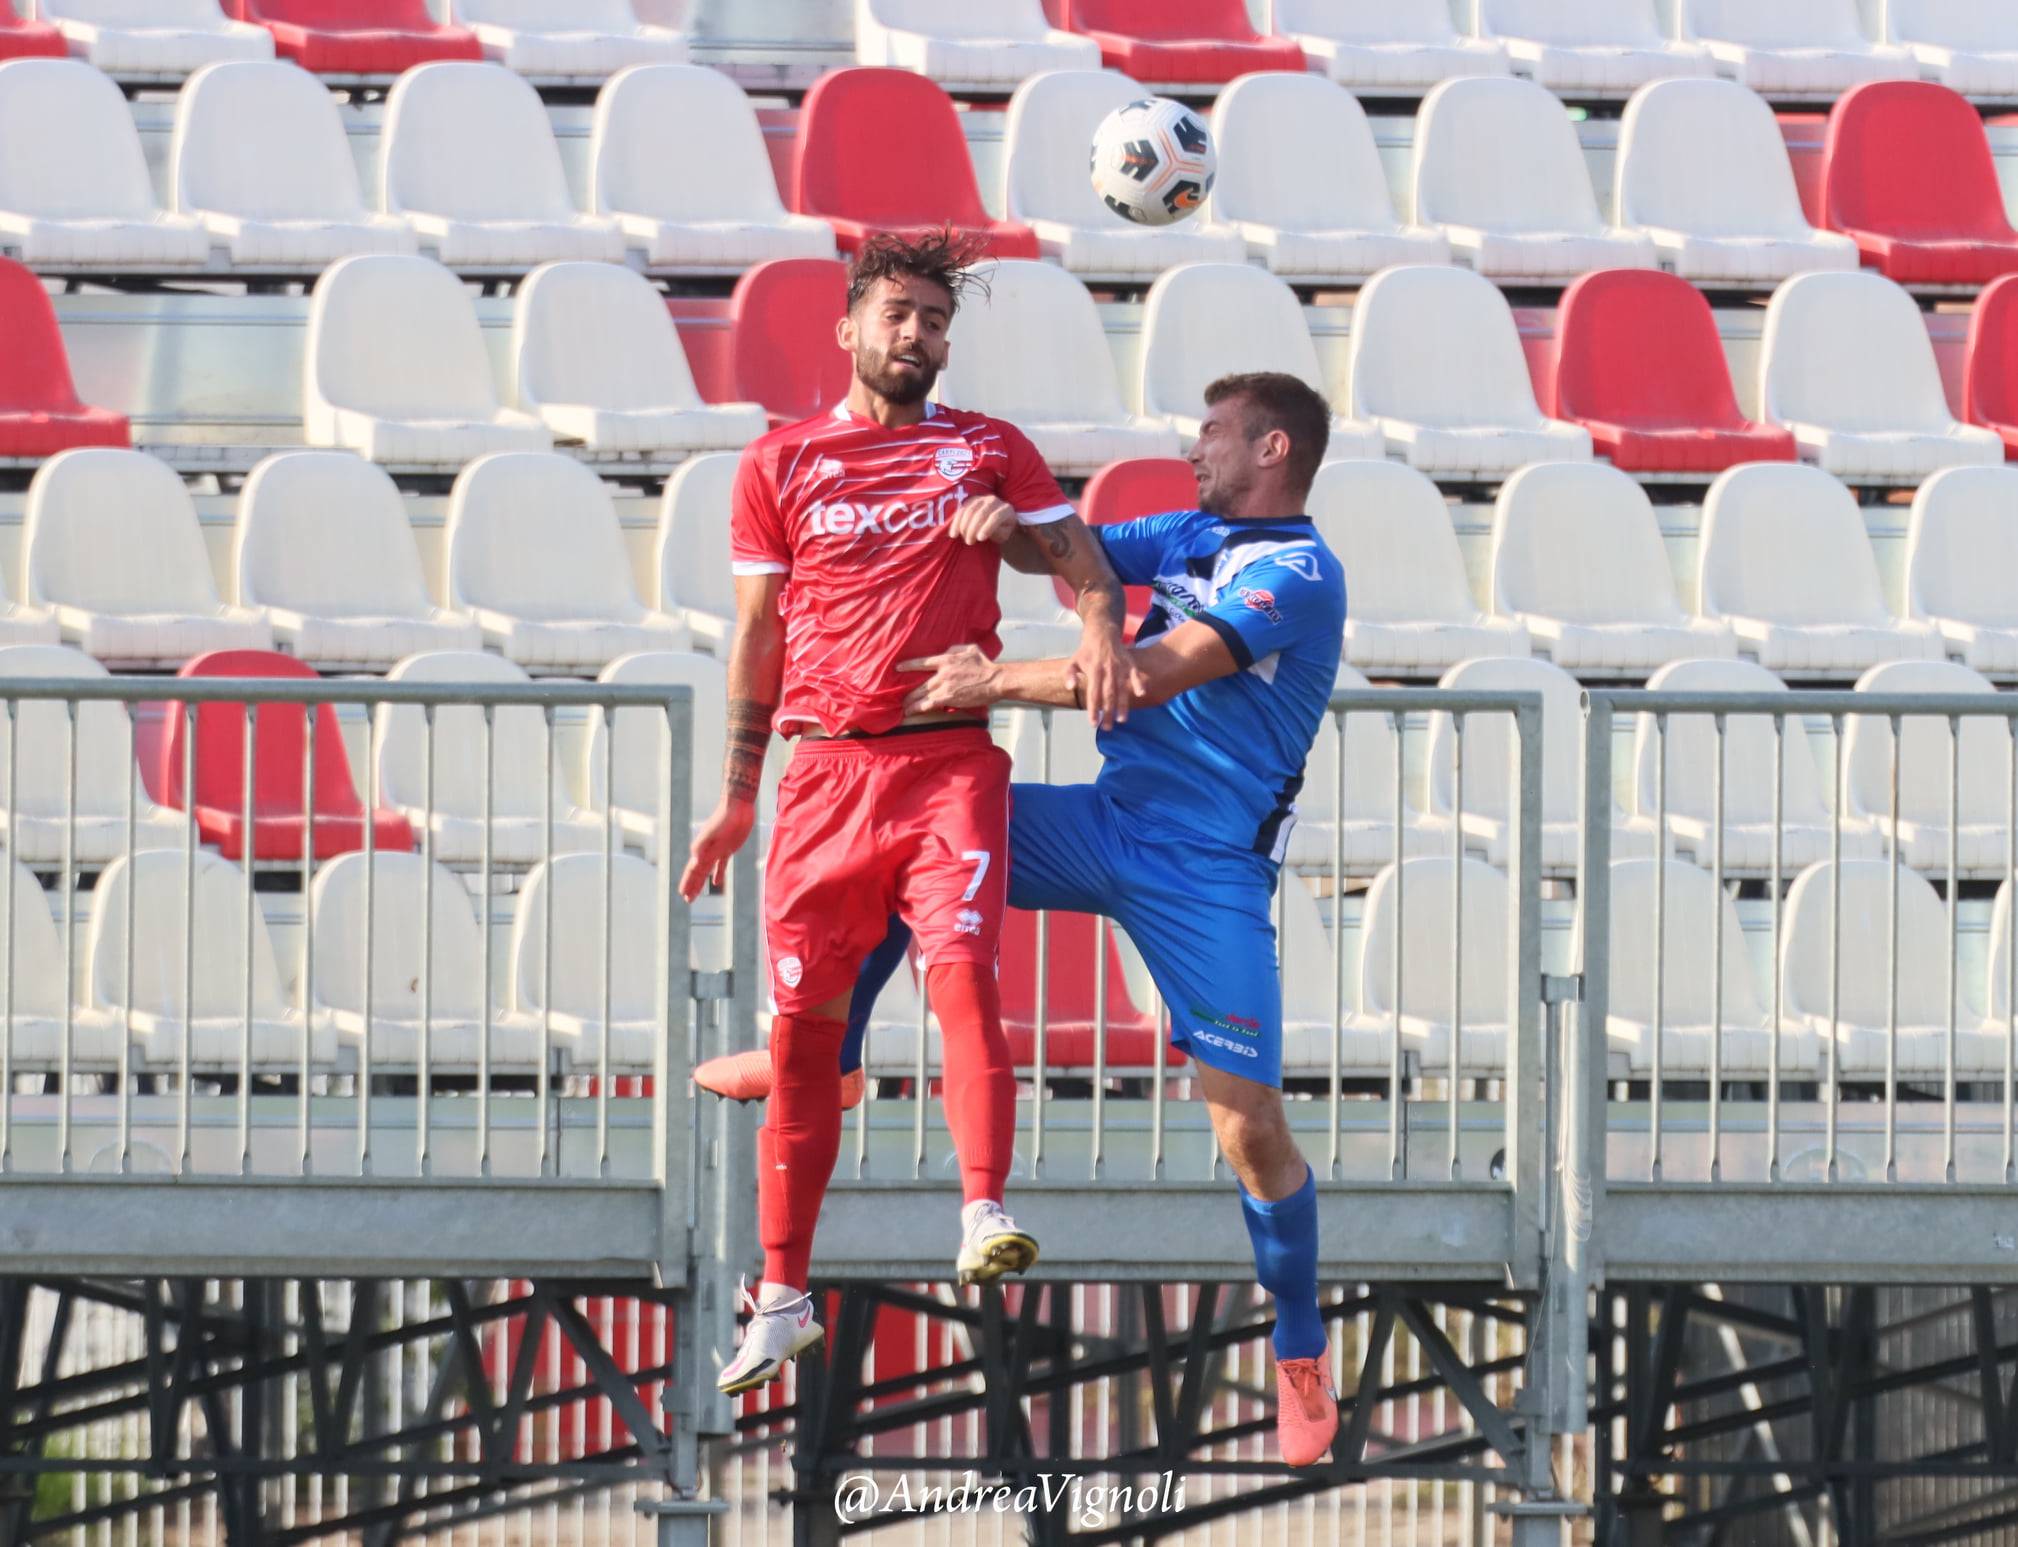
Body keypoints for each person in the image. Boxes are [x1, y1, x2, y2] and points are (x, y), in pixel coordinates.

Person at [698, 371, 1350, 1467]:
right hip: (1105, 820)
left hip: (1203, 873)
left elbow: (1138, 679)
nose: (1195, 450)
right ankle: (827, 1054)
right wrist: (1002, 523)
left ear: (1272, 447)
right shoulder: (1190, 530)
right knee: (925, 822)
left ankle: (1296, 1343)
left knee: (1247, 1128)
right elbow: (1077, 550)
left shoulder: (1298, 573)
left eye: (1214, 435)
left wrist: (986, 680)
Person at [680, 230, 1130, 1398]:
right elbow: (759, 634)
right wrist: (736, 796)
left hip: (944, 764)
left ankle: (983, 1205)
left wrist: (1058, 588)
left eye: (933, 319)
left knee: (962, 972)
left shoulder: (985, 449)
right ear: (848, 328)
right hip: (821, 778)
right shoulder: (778, 463)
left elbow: (1080, 560)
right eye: (895, 314)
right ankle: (780, 1295)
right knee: (799, 1048)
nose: (915, 335)